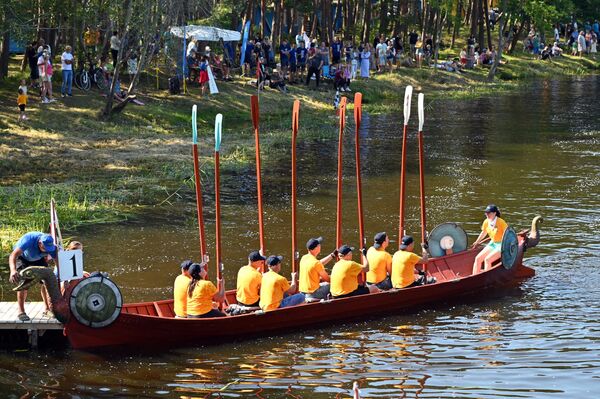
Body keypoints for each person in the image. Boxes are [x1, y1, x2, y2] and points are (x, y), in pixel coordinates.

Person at [8, 232, 57, 321]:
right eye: (45, 248)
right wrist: (13, 270)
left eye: (49, 249)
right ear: (39, 243)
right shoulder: (28, 240)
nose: (47, 251)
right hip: (23, 258)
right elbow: (13, 255)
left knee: (46, 281)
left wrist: (59, 273)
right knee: (23, 283)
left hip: (38, 259)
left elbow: (57, 260)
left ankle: (47, 309)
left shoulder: (50, 246)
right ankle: (21, 311)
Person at [471, 204, 508, 274]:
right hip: (493, 243)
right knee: (477, 259)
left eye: (489, 213)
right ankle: (474, 276)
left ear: (494, 213)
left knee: (487, 260)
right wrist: (477, 242)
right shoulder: (486, 221)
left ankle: (486, 278)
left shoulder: (501, 222)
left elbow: (508, 234)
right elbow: (484, 232)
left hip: (501, 244)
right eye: (486, 213)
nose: (487, 214)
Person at [299, 237, 336, 301]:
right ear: (316, 248)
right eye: (319, 245)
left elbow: (318, 263)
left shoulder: (304, 258)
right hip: (313, 293)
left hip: (303, 292)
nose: (320, 246)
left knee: (325, 284)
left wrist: (332, 255)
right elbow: (328, 279)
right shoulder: (316, 263)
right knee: (335, 284)